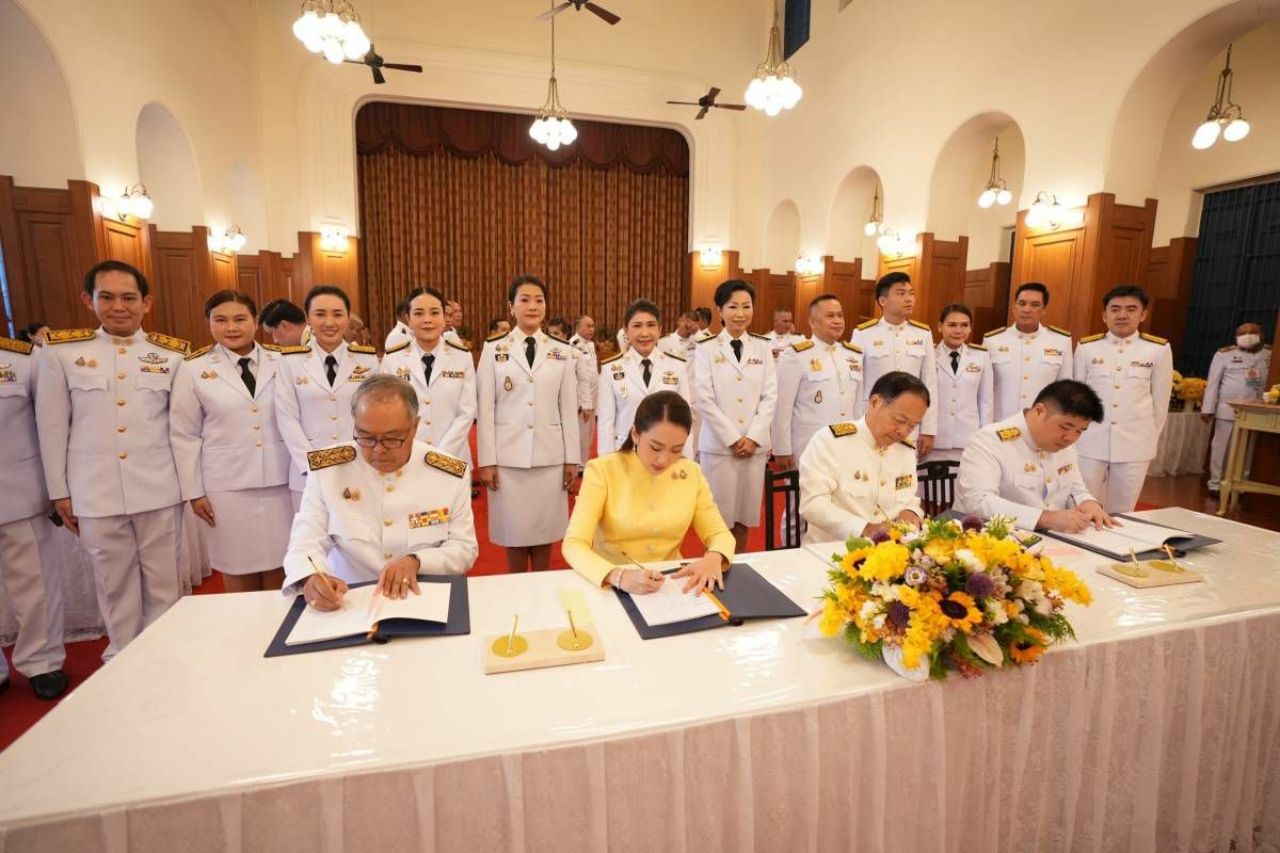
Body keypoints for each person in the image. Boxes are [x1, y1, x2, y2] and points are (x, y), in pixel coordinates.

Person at [35, 260, 188, 660]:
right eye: (107, 297)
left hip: (158, 486)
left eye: (128, 298)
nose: (119, 307)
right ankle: (122, 656)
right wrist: (59, 491)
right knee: (111, 582)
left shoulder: (171, 355)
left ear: (146, 303)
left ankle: (165, 655)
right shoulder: (62, 353)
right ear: (89, 300)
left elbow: (180, 428)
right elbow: (52, 427)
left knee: (164, 582)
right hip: (95, 489)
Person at [281, 375, 477, 608]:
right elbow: (306, 540)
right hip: (350, 601)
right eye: (366, 437)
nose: (378, 450)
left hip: (423, 597)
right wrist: (310, 576)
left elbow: (464, 548)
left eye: (392, 439)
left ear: (415, 427)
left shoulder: (447, 473)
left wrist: (418, 561)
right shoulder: (329, 470)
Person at [170, 291, 293, 594]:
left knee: (282, 566)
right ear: (209, 323)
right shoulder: (193, 368)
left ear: (255, 321)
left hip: (281, 482)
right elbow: (184, 434)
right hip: (227, 489)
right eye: (221, 320)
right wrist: (194, 491)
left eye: (240, 319)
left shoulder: (284, 361)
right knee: (237, 567)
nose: (231, 327)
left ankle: (278, 623)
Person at [564, 391, 734, 593]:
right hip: (612, 584)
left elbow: (719, 533)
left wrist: (714, 556)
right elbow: (574, 543)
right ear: (635, 434)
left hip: (670, 584)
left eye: (676, 450)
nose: (664, 460)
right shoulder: (603, 471)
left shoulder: (691, 473)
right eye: (655, 447)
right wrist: (617, 576)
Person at [476, 275, 580, 573]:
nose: (533, 306)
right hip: (508, 459)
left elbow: (568, 407)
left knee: (545, 531)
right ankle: (517, 585)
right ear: (511, 306)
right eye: (524, 300)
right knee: (514, 532)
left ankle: (542, 584)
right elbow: (485, 409)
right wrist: (487, 460)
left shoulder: (562, 350)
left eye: (539, 300)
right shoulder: (493, 349)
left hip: (550, 457)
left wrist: (571, 458)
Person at [0, 333, 67, 699]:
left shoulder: (24, 359)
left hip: (18, 491)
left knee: (35, 585)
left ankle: (42, 661)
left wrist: (57, 487)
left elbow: (53, 425)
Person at [956, 380, 1115, 532]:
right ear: (1039, 411)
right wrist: (1045, 518)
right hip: (991, 539)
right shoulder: (989, 441)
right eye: (1065, 427)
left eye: (1080, 431)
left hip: (1054, 539)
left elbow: (1074, 488)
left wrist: (1088, 502)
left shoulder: (1065, 444)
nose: (1071, 438)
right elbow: (978, 502)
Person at [275, 285, 381, 510]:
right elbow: (286, 417)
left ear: (348, 318)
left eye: (337, 314)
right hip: (307, 472)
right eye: (320, 314)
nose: (329, 322)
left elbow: (376, 413)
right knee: (311, 530)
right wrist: (312, 464)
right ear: (308, 318)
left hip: (358, 465)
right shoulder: (290, 361)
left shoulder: (367, 360)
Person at [693, 279, 778, 552]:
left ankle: (737, 566)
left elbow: (770, 396)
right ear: (720, 310)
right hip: (720, 448)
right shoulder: (706, 347)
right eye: (732, 307)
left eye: (746, 306)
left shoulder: (763, 347)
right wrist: (732, 438)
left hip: (753, 448)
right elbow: (704, 398)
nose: (740, 313)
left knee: (744, 517)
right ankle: (715, 566)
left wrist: (752, 437)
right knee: (716, 519)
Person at [1073, 285, 1174, 513]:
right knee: (1082, 505)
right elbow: (1076, 398)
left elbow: (1160, 403)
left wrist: (1147, 439)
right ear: (1104, 315)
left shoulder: (1158, 349)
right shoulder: (1087, 348)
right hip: (1090, 441)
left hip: (1134, 444)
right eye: (1115, 309)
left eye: (1131, 309)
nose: (1122, 315)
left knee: (1123, 511)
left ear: (1143, 314)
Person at [798, 371, 926, 543]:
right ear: (874, 402)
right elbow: (812, 504)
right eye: (899, 420)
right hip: (834, 550)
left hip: (891, 553)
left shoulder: (905, 450)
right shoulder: (830, 441)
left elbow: (908, 499)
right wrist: (864, 528)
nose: (903, 432)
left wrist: (910, 511)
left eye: (912, 425)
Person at [378, 286, 477, 464]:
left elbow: (467, 412)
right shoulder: (392, 359)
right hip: (408, 457)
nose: (427, 320)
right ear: (408, 319)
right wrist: (415, 451)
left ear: (445, 318)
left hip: (453, 457)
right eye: (418, 313)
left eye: (434, 313)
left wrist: (441, 454)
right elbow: (387, 410)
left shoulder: (462, 357)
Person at [772, 294, 863, 472]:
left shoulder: (854, 355)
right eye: (830, 316)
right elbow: (782, 407)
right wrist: (782, 449)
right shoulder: (796, 355)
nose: (837, 321)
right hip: (810, 446)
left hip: (848, 444)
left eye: (840, 315)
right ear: (812, 322)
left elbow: (858, 405)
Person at [850, 272, 937, 456]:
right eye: (901, 293)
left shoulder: (923, 334)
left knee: (904, 472)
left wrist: (929, 429)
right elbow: (856, 384)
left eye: (911, 293)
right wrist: (856, 423)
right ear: (883, 301)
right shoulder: (863, 334)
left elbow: (930, 382)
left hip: (909, 426)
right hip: (873, 423)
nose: (909, 299)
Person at [597, 299, 692, 456]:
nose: (644, 333)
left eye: (651, 325)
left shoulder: (677, 367)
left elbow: (685, 421)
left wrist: (685, 460)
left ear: (659, 329)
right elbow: (605, 425)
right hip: (625, 454)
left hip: (665, 456)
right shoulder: (610, 369)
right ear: (625, 330)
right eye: (637, 326)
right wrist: (606, 464)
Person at [983, 283, 1073, 421]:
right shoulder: (992, 341)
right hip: (1001, 423)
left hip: (1041, 423)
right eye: (1022, 303)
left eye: (1035, 305)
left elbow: (1064, 390)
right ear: (1014, 307)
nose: (1026, 309)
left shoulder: (1061, 341)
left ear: (1043, 310)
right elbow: (983, 390)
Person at [1202, 323, 1271, 495]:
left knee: (1248, 450)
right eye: (1242, 333)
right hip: (1228, 409)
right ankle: (1216, 483)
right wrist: (1207, 408)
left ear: (1261, 335)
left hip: (1257, 410)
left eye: (1251, 333)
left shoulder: (1270, 353)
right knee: (1222, 448)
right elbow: (1213, 383)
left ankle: (1240, 486)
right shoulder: (1224, 354)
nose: (1247, 336)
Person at [928, 303, 993, 462]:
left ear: (970, 328)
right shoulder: (929, 354)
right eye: (952, 325)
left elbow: (986, 401)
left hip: (968, 439)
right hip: (934, 438)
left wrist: (985, 438)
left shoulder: (980, 356)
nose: (958, 331)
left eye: (964, 325)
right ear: (940, 326)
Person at [569, 315, 599, 469]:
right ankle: (579, 464)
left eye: (593, 326)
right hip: (582, 400)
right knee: (581, 434)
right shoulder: (573, 345)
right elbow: (576, 378)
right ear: (578, 327)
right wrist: (583, 403)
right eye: (588, 326)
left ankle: (584, 461)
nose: (591, 329)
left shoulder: (590, 345)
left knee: (589, 433)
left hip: (593, 397)